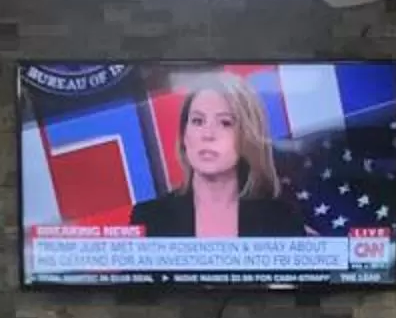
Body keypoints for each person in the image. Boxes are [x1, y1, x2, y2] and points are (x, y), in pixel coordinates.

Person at [131, 72, 309, 240]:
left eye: (225, 123)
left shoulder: (281, 220)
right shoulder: (149, 217)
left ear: (247, 135)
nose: (207, 134)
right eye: (197, 121)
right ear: (184, 134)